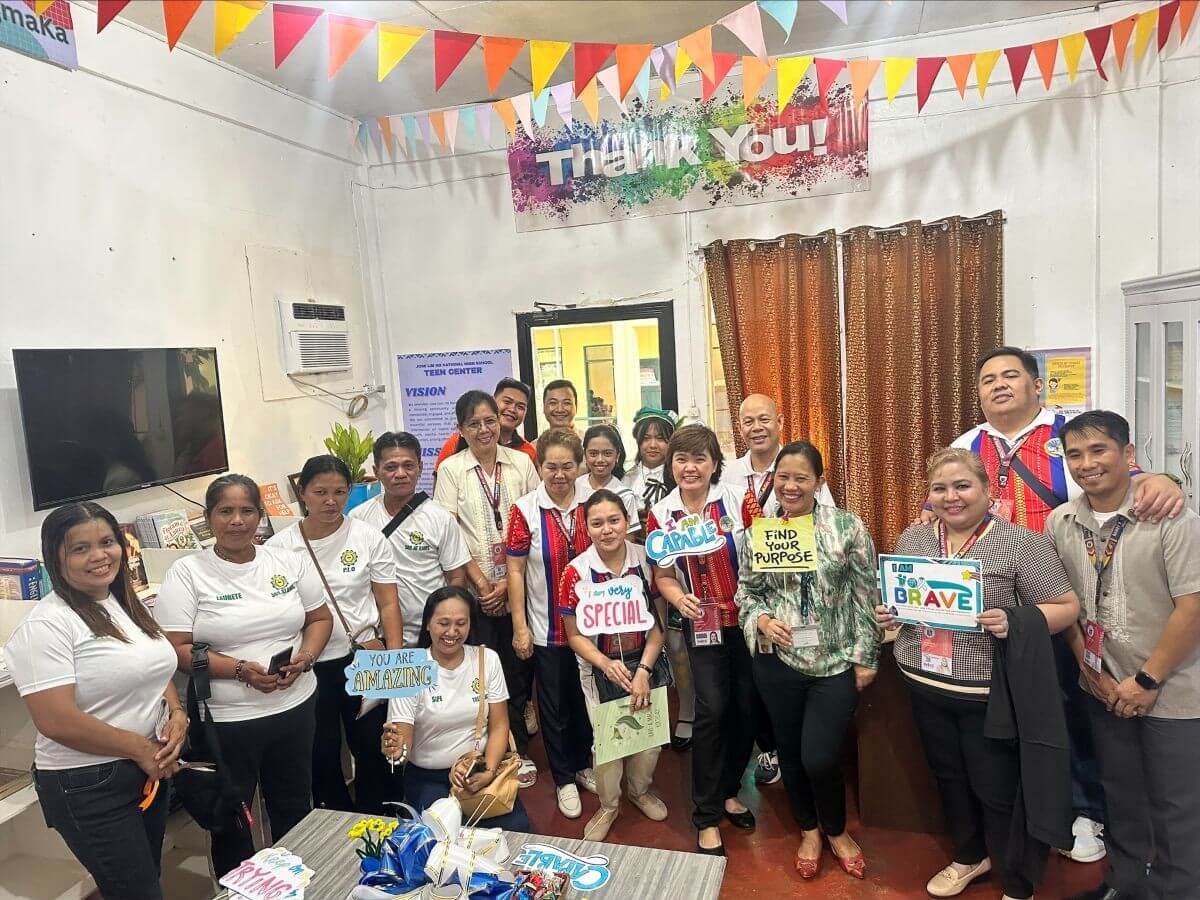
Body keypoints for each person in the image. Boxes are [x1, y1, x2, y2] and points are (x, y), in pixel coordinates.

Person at [946, 345, 1184, 863]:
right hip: (998, 606)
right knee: (1021, 712)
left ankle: (1088, 812)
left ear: (1038, 385)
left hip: (1069, 594)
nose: (1000, 386)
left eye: (1012, 375)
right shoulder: (966, 443)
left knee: (1079, 704)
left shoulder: (1070, 434)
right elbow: (940, 505)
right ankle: (1034, 809)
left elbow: (1132, 480)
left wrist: (1169, 479)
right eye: (988, 379)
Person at [878, 449, 1080, 900]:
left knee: (996, 790)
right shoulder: (915, 538)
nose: (951, 497)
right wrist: (892, 614)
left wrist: (1016, 620)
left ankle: (1016, 880)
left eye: (962, 486)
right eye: (940, 488)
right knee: (948, 778)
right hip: (924, 682)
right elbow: (908, 600)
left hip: (988, 692)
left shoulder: (1022, 543)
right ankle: (970, 856)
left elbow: (1067, 608)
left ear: (988, 492)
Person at [1044, 412, 1200, 900]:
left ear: (1128, 455)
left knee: (1176, 805)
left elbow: (1192, 609)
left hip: (1171, 689)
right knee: (1121, 795)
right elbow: (1065, 605)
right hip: (1106, 688)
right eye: (1075, 454)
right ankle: (1127, 884)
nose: (1086, 464)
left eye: (1099, 450)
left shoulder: (1172, 516)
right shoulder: (1061, 521)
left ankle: (1177, 891)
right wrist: (1090, 673)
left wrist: (1146, 682)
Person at [3, 502, 185, 900]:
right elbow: (57, 721)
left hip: (143, 767)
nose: (100, 556)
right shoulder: (48, 625)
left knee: (145, 880)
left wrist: (177, 712)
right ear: (55, 557)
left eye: (107, 542)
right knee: (136, 892)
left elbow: (152, 668)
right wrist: (140, 748)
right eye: (80, 549)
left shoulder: (121, 600)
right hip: (87, 783)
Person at [154, 474, 333, 877]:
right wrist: (239, 671)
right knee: (232, 821)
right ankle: (239, 889)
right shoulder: (188, 572)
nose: (237, 520)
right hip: (227, 724)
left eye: (247, 510)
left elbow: (320, 618)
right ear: (209, 517)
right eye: (226, 511)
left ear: (259, 515)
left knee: (293, 807)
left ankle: (295, 883)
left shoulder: (286, 561)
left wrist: (304, 657)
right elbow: (176, 649)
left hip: (294, 708)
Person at [734, 442, 879, 881]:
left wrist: (865, 656)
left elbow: (865, 595)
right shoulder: (761, 533)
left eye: (801, 477)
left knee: (820, 756)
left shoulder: (846, 527)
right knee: (791, 753)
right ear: (772, 482)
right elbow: (746, 592)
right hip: (778, 664)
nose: (790, 486)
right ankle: (810, 829)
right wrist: (760, 620)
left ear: (818, 481)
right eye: (783, 478)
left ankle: (837, 830)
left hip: (833, 663)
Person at [268, 455, 403, 814]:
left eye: (340, 492)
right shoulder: (279, 547)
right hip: (308, 665)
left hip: (365, 656)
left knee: (372, 745)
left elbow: (388, 603)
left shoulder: (367, 536)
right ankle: (336, 818)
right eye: (320, 492)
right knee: (321, 749)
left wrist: (394, 652)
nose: (330, 501)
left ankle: (381, 816)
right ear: (303, 493)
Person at [648, 423, 754, 856]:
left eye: (699, 459)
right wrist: (679, 598)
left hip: (748, 621)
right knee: (712, 711)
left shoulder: (735, 499)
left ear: (714, 463)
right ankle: (706, 815)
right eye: (681, 459)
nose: (690, 468)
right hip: (703, 623)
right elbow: (662, 575)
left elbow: (763, 552)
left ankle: (730, 791)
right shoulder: (663, 513)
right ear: (671, 465)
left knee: (746, 709)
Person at [720, 394, 833, 787]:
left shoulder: (799, 464)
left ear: (779, 421)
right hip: (750, 591)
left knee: (798, 678)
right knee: (755, 682)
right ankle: (770, 749)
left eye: (764, 419)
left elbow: (827, 526)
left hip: (801, 598)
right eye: (748, 421)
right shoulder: (728, 474)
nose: (756, 427)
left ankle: (800, 752)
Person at [433, 391, 539, 776]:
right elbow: (449, 532)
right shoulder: (451, 470)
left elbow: (532, 523)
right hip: (476, 592)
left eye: (490, 421)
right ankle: (483, 751)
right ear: (461, 429)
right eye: (474, 424)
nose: (484, 430)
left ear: (501, 422)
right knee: (480, 672)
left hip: (520, 582)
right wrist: (482, 584)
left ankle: (518, 752)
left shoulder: (522, 463)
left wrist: (510, 586)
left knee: (516, 671)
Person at [561, 490, 670, 841]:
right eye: (597, 523)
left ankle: (639, 791)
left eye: (614, 520)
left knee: (649, 739)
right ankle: (609, 805)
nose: (607, 530)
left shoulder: (645, 561)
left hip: (646, 661)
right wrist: (606, 663)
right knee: (608, 742)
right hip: (600, 667)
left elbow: (659, 628)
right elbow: (573, 635)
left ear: (627, 521)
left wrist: (644, 671)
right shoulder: (576, 572)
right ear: (587, 527)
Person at [381, 587, 531, 831]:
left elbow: (500, 725)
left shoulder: (487, 659)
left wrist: (489, 771)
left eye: (461, 623)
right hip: (429, 778)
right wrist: (394, 750)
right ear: (427, 624)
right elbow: (401, 747)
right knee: (442, 846)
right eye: (443, 623)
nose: (452, 632)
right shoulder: (407, 669)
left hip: (479, 769)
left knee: (515, 834)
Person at [507, 429, 596, 816]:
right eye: (550, 466)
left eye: (567, 466)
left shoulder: (595, 503)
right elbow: (514, 570)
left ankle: (584, 765)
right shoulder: (525, 509)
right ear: (539, 466)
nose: (559, 474)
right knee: (555, 705)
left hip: (594, 626)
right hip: (547, 627)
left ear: (580, 466)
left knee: (587, 699)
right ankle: (563, 778)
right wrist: (519, 626)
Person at [350, 432, 481, 648]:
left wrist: (444, 622)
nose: (400, 474)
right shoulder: (358, 518)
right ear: (376, 472)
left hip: (431, 637)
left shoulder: (440, 518)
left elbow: (457, 579)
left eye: (408, 466)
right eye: (391, 467)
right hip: (378, 637)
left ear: (420, 468)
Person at [623, 407, 695, 752]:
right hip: (636, 571)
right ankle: (648, 717)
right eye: (646, 436)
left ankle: (688, 712)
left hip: (675, 573)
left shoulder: (683, 480)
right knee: (644, 644)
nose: (653, 444)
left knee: (678, 645)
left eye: (661, 437)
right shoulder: (623, 479)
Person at [433, 378, 537, 473]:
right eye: (507, 402)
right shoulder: (457, 441)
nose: (512, 409)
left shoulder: (528, 452)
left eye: (520, 407)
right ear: (493, 401)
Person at [578, 423, 641, 531]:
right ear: (585, 455)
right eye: (593, 454)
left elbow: (628, 539)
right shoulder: (575, 487)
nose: (600, 460)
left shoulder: (625, 495)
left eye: (607, 454)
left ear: (617, 456)